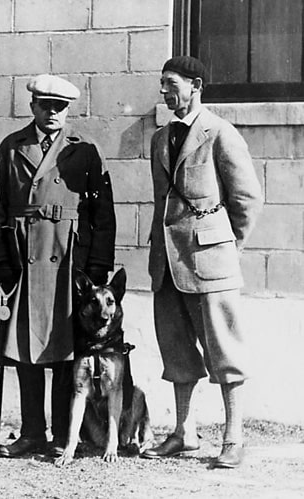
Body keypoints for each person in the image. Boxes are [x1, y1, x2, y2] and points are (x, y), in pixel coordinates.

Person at [141, 56, 263, 468]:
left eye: (170, 83)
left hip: (211, 261)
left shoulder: (221, 134)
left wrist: (226, 247)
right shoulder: (160, 138)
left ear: (195, 85)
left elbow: (246, 200)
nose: (163, 91)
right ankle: (184, 432)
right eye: (161, 83)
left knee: (224, 351)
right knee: (176, 352)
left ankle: (233, 437)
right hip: (168, 265)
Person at [0, 74, 116, 458]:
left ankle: (63, 432)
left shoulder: (85, 151)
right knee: (24, 347)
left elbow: (102, 214)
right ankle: (30, 431)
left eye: (61, 108)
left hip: (69, 262)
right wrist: (1, 263)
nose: (54, 114)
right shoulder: (11, 148)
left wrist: (97, 265)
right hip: (24, 256)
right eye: (47, 106)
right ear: (34, 107)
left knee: (64, 349)